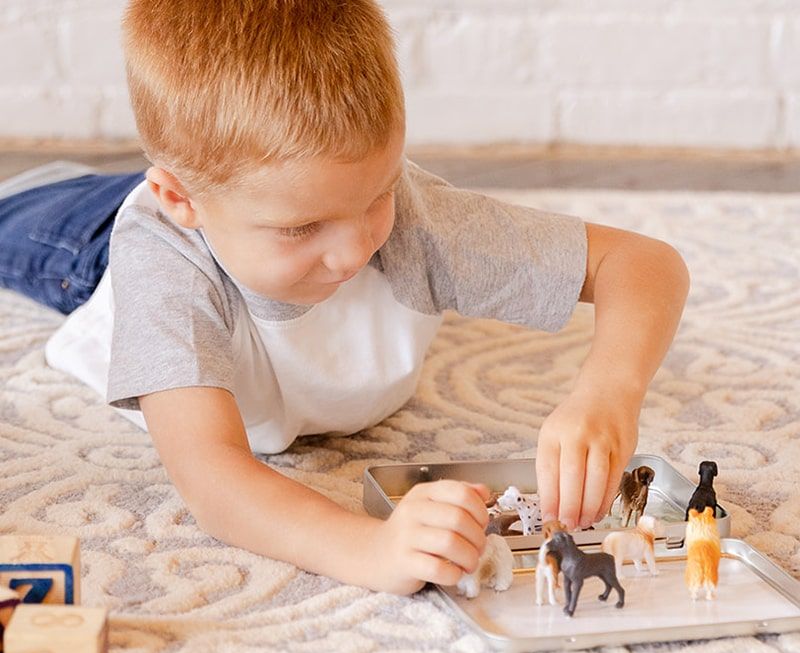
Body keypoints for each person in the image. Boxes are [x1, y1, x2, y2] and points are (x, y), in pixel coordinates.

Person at [0, 0, 689, 595]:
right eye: (301, 227)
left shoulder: (411, 221)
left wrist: (607, 393)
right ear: (181, 201)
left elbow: (643, 263)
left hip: (220, 193)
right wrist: (368, 549)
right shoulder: (164, 257)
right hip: (83, 249)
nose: (354, 250)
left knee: (264, 185)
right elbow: (213, 479)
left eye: (377, 194)